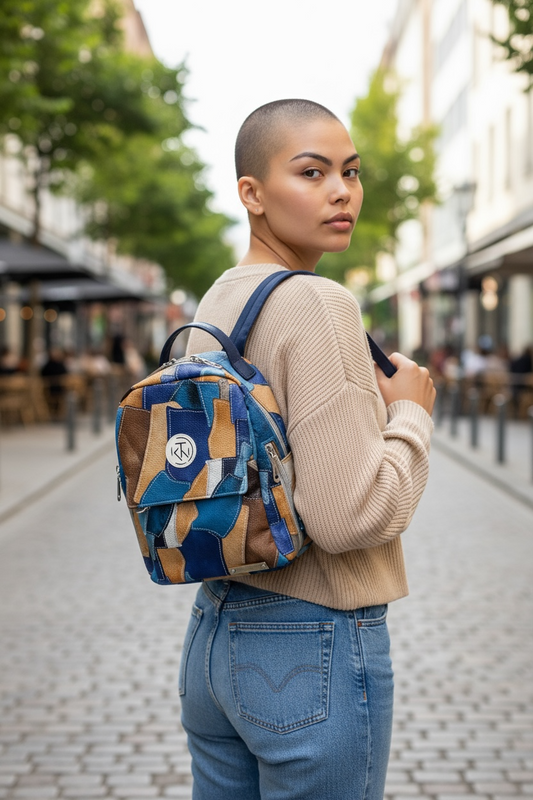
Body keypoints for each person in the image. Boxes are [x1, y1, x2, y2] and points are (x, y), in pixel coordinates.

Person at [180, 99, 435, 800]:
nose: (340, 191)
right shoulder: (319, 303)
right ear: (252, 193)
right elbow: (351, 517)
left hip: (214, 632)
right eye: (312, 172)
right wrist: (411, 413)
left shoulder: (216, 303)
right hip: (310, 642)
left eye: (350, 172)